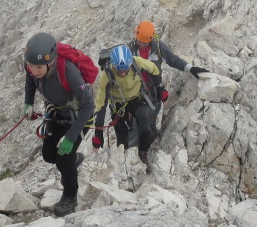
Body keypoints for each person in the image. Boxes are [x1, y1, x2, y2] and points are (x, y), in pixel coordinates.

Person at [22, 32, 94, 217]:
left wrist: (70, 137)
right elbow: (30, 80)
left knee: (63, 160)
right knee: (48, 155)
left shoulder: (68, 70)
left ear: (51, 62)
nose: (33, 71)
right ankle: (73, 161)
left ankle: (70, 196)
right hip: (57, 114)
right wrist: (28, 102)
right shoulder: (31, 65)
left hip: (78, 117)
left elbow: (88, 105)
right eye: (30, 66)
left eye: (38, 67)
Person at [91, 45, 161, 170]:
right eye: (119, 71)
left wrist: (160, 88)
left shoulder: (136, 62)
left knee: (144, 124)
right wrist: (98, 133)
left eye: (125, 70)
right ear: (113, 65)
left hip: (137, 99)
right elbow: (101, 104)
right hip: (119, 106)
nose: (123, 73)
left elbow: (154, 69)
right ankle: (122, 163)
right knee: (122, 137)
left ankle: (143, 152)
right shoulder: (106, 75)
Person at [128, 20, 209, 104]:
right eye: (139, 41)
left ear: (151, 39)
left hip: (152, 90)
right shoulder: (130, 49)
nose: (141, 44)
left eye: (144, 43)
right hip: (133, 89)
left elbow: (174, 60)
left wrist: (191, 69)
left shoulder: (158, 48)